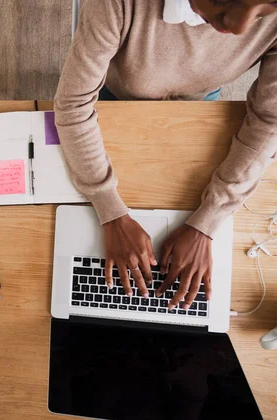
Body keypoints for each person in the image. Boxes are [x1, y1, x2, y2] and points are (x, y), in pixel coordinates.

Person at [54, 0, 277, 311]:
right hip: (117, 98)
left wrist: (208, 222)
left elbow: (270, 120)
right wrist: (111, 211)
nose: (240, 27)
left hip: (198, 106)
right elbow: (73, 105)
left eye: (267, 9)